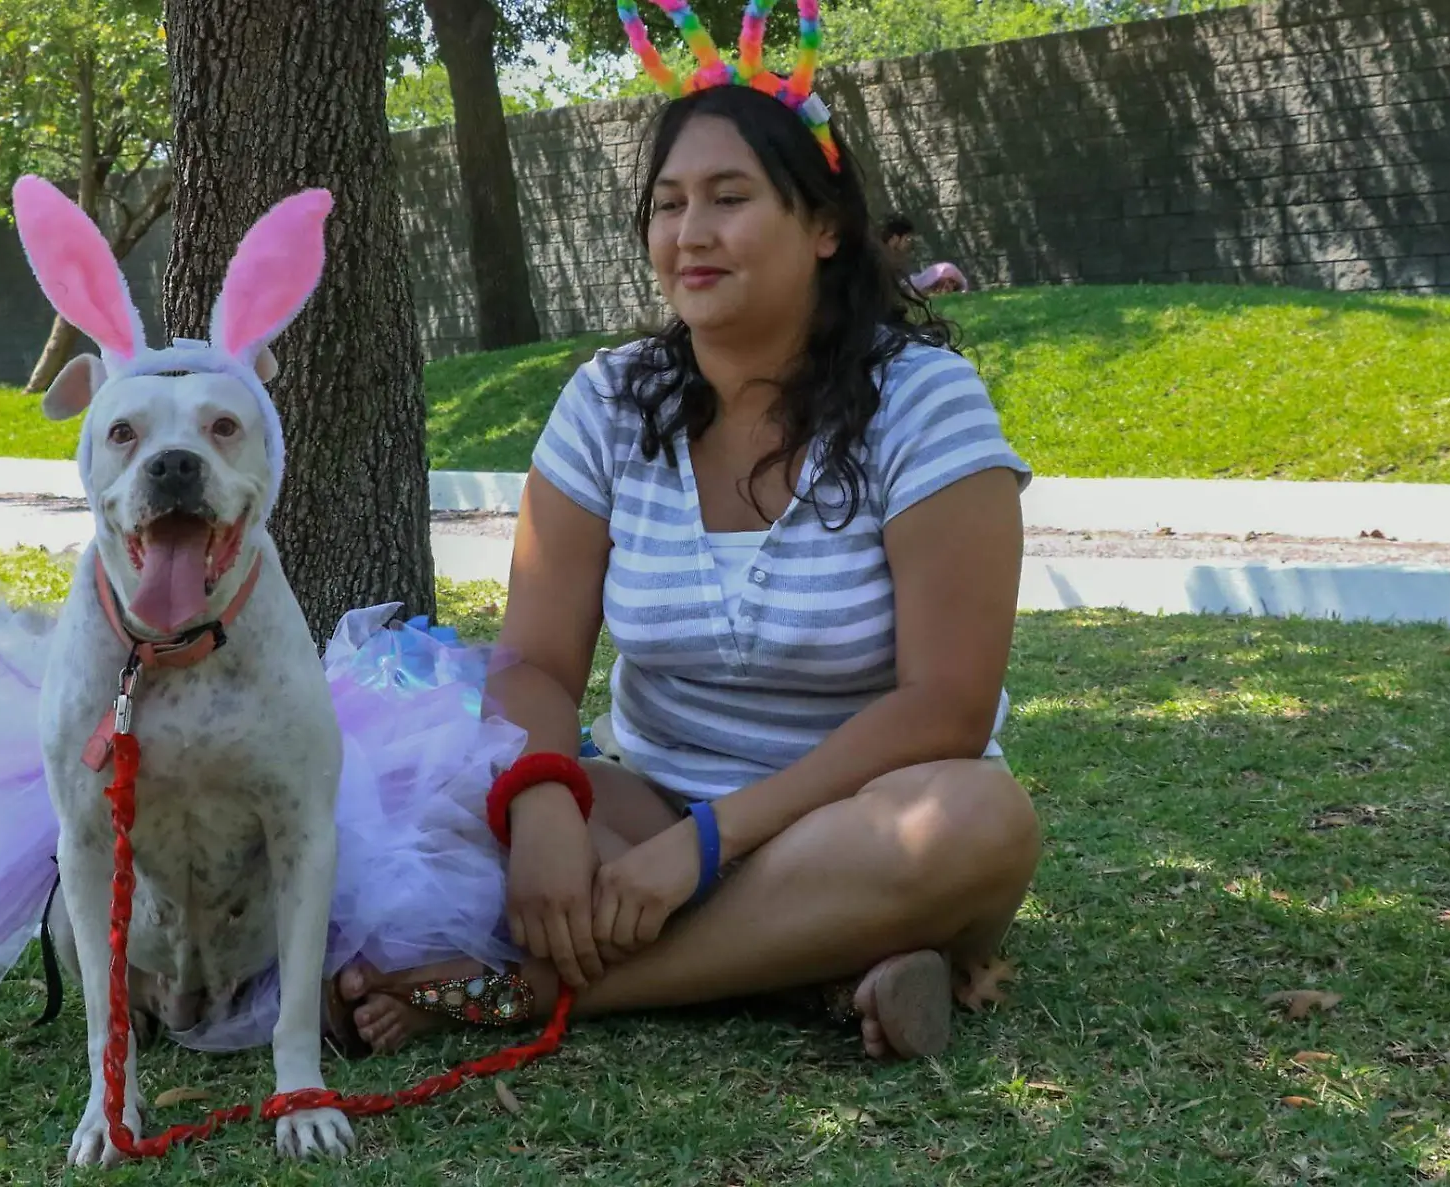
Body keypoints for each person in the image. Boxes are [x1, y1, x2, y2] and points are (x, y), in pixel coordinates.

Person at [332, 0, 1038, 1063]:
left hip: (865, 816)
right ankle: (818, 960)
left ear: (825, 225)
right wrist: (545, 803)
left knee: (980, 821)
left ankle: (538, 990)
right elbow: (532, 664)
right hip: (649, 811)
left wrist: (703, 851)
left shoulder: (926, 405)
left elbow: (945, 704)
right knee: (433, 796)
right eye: (665, 203)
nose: (687, 232)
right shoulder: (608, 402)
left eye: (727, 197)